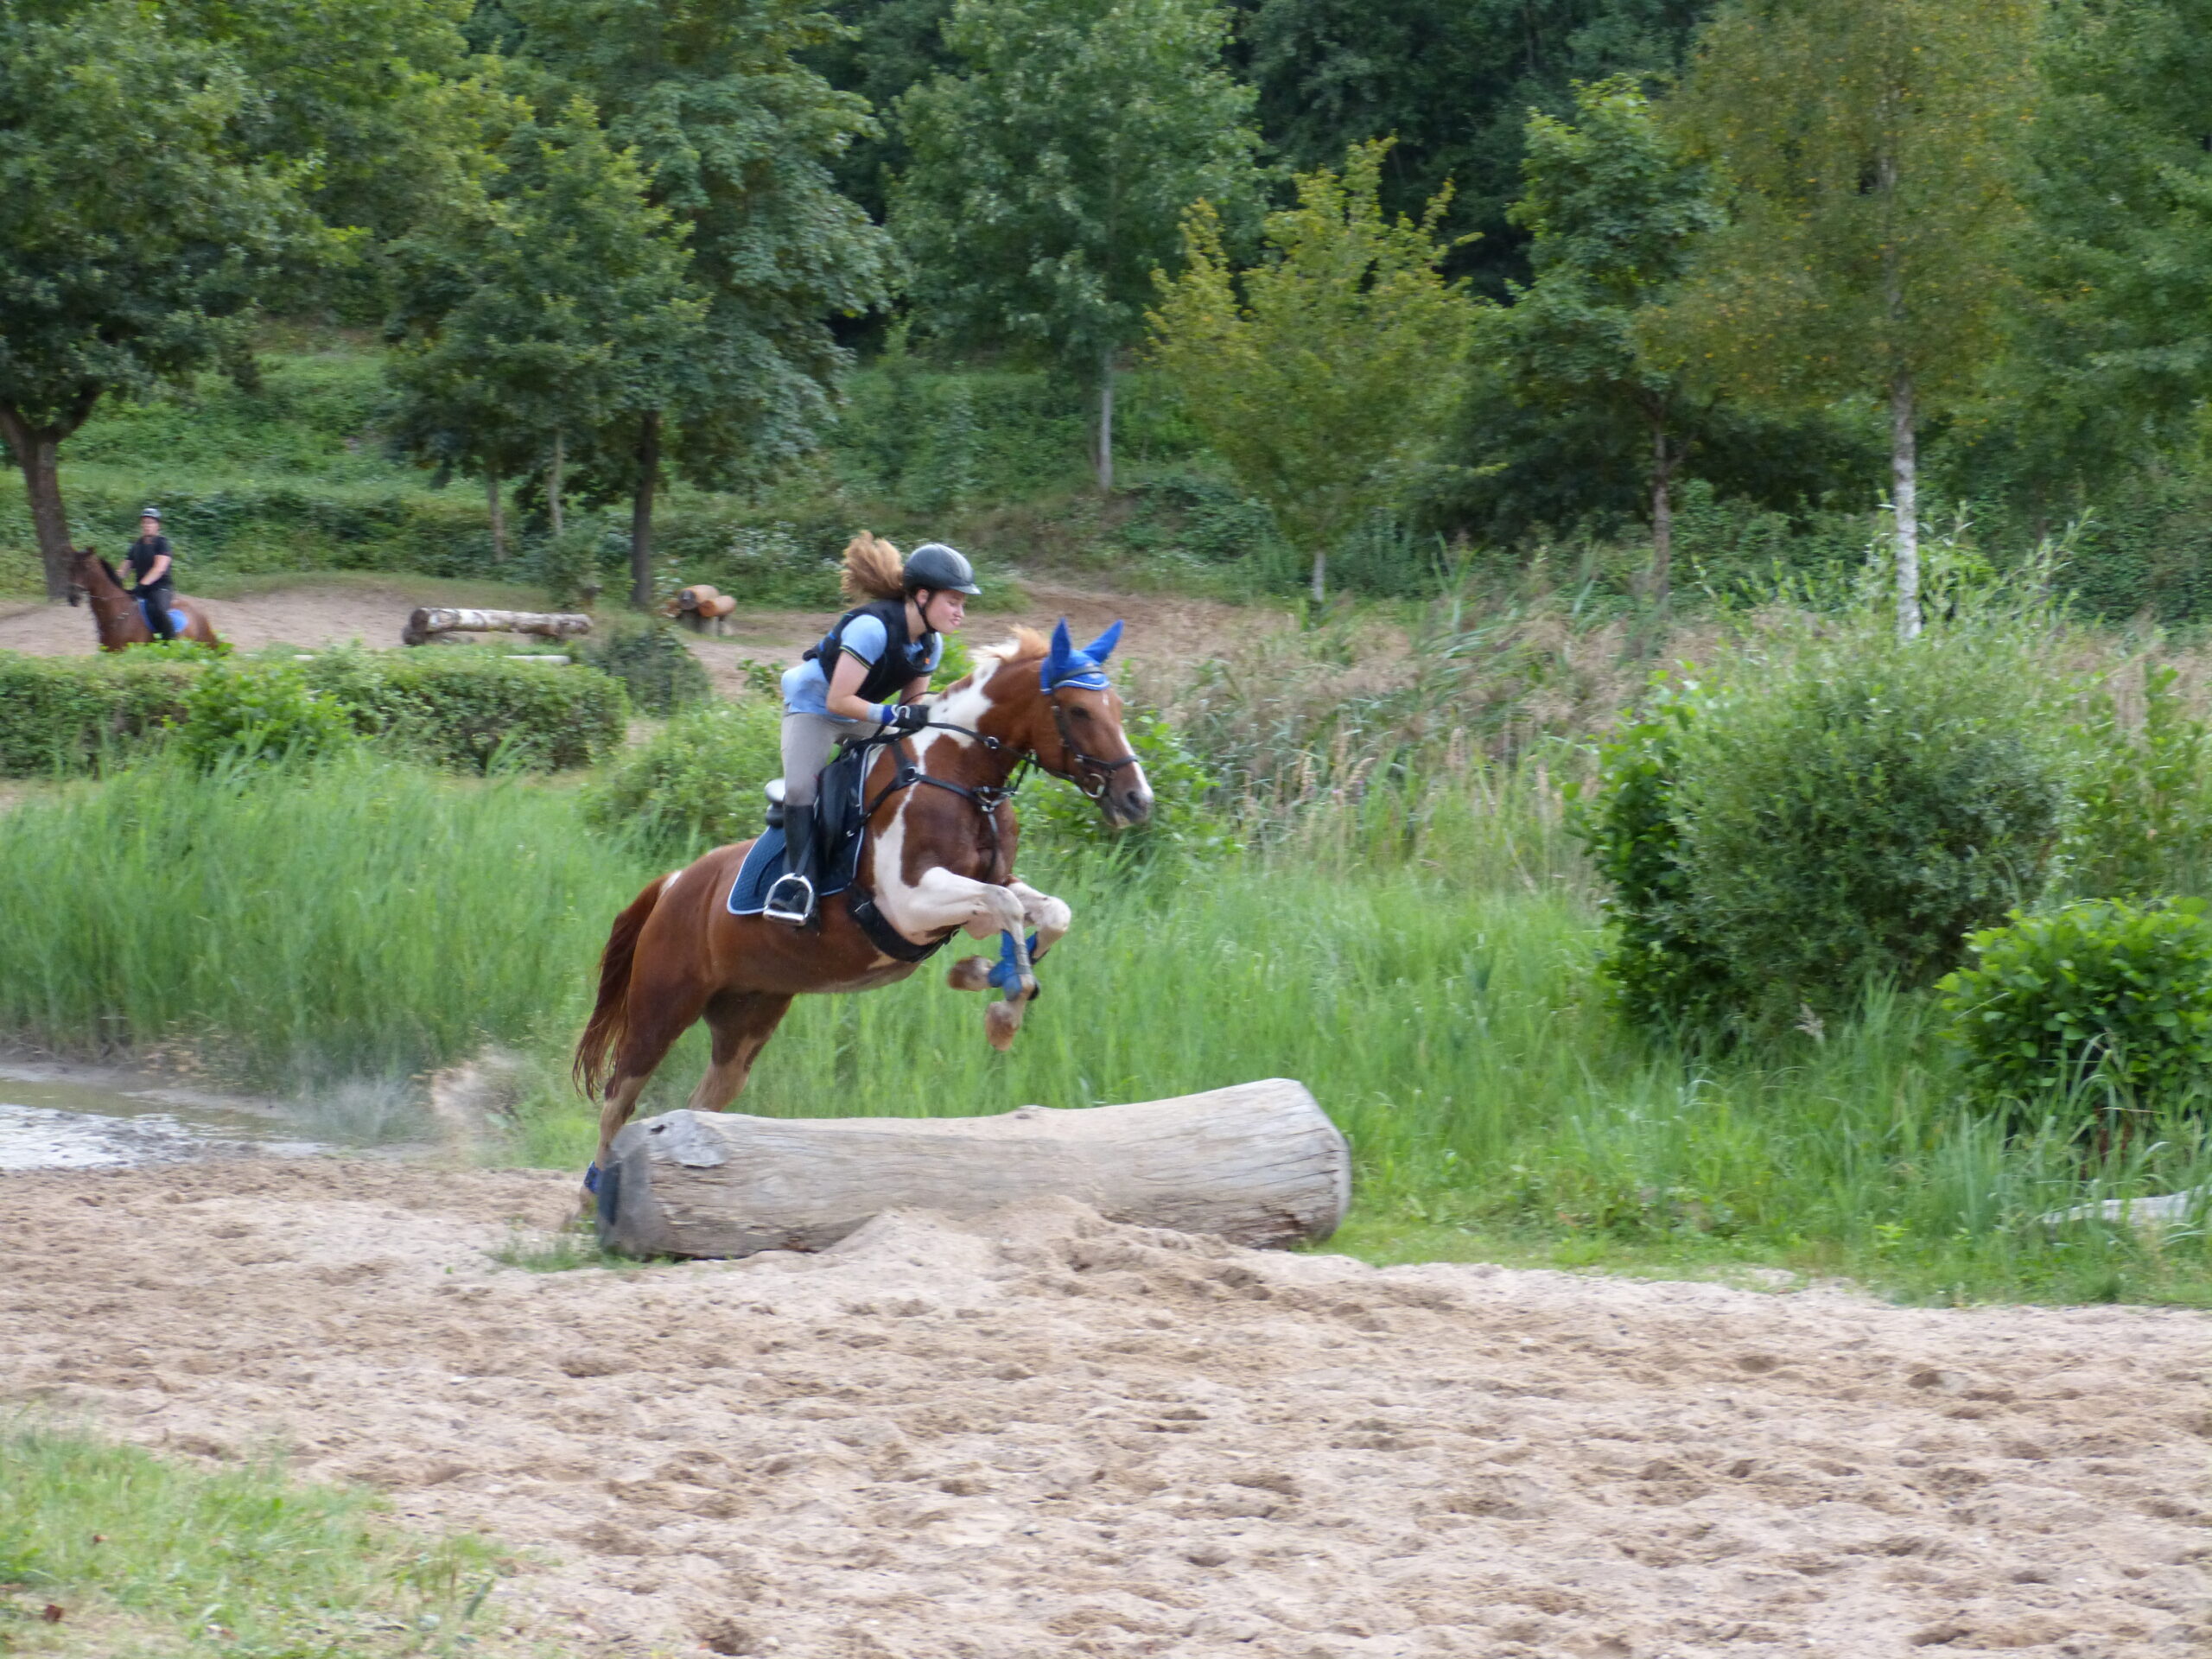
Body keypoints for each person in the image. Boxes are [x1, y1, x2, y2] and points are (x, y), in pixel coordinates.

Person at [762, 536, 980, 925]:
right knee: (800, 789)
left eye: (962, 603)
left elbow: (911, 707)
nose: (960, 611)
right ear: (923, 596)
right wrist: (895, 713)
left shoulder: (932, 644)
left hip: (862, 712)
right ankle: (795, 883)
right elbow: (838, 701)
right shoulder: (871, 628)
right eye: (954, 601)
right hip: (817, 707)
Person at [125, 508, 177, 642]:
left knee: (160, 610)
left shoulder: (162, 543)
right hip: (141, 589)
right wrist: (112, 580)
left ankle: (170, 642)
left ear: (157, 525)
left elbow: (159, 569)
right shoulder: (136, 545)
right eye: (144, 522)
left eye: (150, 522)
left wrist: (142, 584)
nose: (146, 525)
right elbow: (124, 569)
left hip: (160, 588)